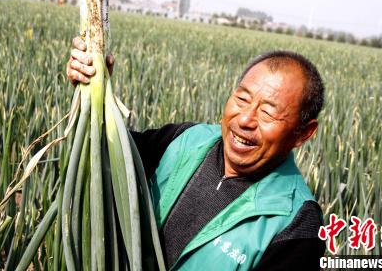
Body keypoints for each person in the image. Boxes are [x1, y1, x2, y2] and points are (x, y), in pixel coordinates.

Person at [67, 36, 326, 270]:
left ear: (304, 133)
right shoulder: (184, 141)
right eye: (242, 99)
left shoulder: (297, 225)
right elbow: (103, 157)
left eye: (268, 112)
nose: (245, 119)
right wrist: (93, 91)